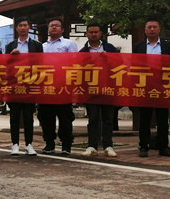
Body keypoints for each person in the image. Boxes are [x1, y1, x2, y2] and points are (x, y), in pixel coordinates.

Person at [133, 20, 170, 158]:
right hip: (145, 86)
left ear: (159, 29)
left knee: (163, 119)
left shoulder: (167, 46)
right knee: (144, 119)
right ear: (145, 30)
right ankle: (143, 146)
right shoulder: (138, 46)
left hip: (162, 86)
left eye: (154, 27)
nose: (152, 29)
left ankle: (163, 147)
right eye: (149, 27)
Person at [80, 23, 120, 157]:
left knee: (108, 119)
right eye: (91, 32)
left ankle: (108, 145)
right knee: (93, 119)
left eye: (96, 32)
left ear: (101, 33)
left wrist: (109, 58)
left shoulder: (110, 48)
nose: (93, 34)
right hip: (91, 90)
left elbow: (119, 63)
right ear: (87, 34)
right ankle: (92, 145)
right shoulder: (83, 52)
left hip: (108, 88)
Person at [4, 16, 42, 156]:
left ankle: (29, 144)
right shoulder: (10, 46)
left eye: (25, 25)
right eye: (20, 25)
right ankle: (15, 144)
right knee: (14, 116)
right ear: (16, 28)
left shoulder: (36, 45)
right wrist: (11, 56)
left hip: (30, 85)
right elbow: (6, 65)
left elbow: (41, 64)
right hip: (14, 86)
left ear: (29, 27)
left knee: (28, 117)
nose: (23, 28)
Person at [40, 17, 78, 155]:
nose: (54, 27)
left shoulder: (69, 43)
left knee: (65, 118)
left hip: (63, 87)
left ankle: (66, 145)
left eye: (57, 25)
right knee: (46, 118)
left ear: (62, 29)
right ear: (48, 29)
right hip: (46, 87)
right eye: (51, 25)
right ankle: (49, 143)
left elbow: (75, 62)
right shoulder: (42, 46)